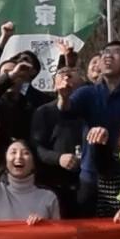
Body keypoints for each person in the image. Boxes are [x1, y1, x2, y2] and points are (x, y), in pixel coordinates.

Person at [29, 64, 87, 208]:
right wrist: (58, 158)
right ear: (54, 86)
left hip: (85, 184)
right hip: (53, 185)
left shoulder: (88, 109)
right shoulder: (43, 112)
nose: (66, 77)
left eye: (70, 74)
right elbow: (37, 148)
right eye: (61, 74)